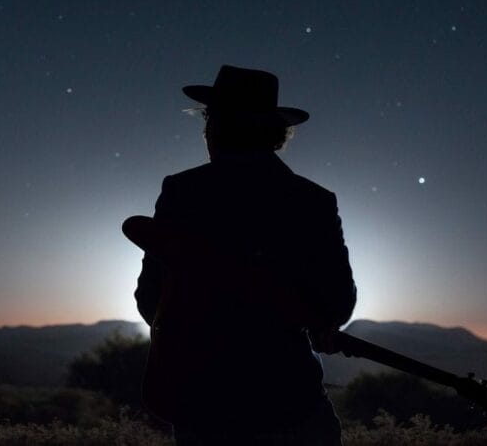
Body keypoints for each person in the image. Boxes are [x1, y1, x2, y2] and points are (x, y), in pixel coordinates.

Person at [134, 65, 356, 445]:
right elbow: (338, 303)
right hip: (292, 403)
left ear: (212, 127)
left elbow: (149, 299)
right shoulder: (312, 200)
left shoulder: (183, 193)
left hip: (206, 408)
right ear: (276, 135)